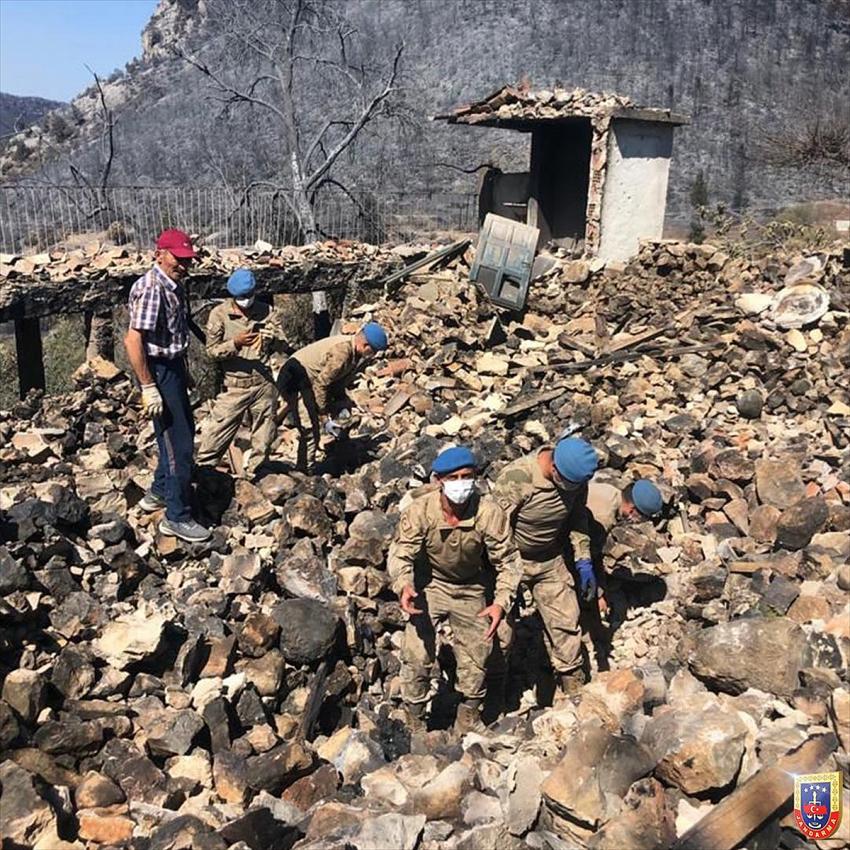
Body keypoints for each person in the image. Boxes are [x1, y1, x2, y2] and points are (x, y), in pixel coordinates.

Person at [387, 446, 523, 733]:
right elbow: (401, 553)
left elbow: (508, 561)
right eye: (454, 477)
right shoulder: (419, 510)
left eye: (468, 476)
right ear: (438, 480)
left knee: (479, 650)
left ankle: (469, 715)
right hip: (429, 584)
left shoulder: (488, 512)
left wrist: (501, 602)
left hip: (471, 586)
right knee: (417, 651)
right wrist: (404, 585)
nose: (462, 483)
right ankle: (414, 717)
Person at [491, 436, 599, 701]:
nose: (572, 488)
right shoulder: (518, 479)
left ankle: (573, 688)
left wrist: (583, 560)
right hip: (512, 559)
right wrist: (501, 575)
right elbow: (493, 528)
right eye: (569, 482)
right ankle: (493, 695)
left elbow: (577, 518)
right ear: (553, 466)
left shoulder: (576, 482)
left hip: (549, 559)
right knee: (499, 633)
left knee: (566, 623)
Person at [124, 229, 210, 543]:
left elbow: (172, 337)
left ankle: (160, 491)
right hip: (158, 371)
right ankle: (177, 515)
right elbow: (134, 341)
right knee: (179, 444)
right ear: (160, 253)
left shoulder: (174, 286)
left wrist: (182, 371)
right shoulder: (151, 288)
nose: (184, 265)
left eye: (188, 260)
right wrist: (149, 385)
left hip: (171, 367)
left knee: (180, 430)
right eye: (178, 258)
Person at [196, 268, 288, 478]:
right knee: (216, 433)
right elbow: (211, 351)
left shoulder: (267, 311)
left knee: (264, 436)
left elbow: (284, 344)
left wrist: (273, 339)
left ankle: (258, 474)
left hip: (263, 383)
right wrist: (235, 343)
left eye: (249, 296)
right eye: (241, 297)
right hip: (235, 385)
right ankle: (204, 475)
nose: (246, 301)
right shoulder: (219, 314)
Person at [279, 322, 388, 473]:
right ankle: (304, 471)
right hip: (296, 379)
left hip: (314, 382)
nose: (374, 355)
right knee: (310, 427)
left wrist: (341, 404)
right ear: (364, 344)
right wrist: (324, 416)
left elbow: (337, 382)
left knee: (343, 410)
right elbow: (321, 384)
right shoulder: (342, 353)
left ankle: (340, 452)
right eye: (373, 350)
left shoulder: (355, 355)